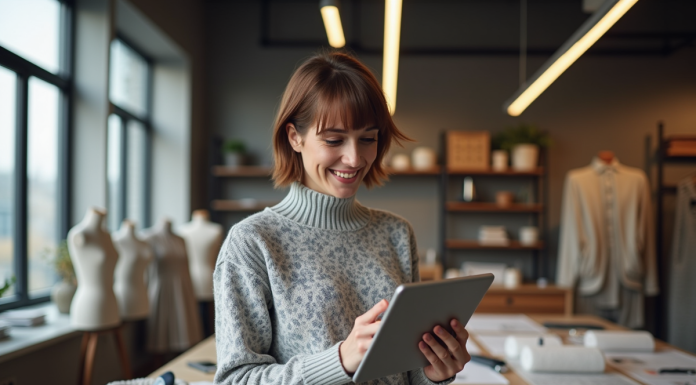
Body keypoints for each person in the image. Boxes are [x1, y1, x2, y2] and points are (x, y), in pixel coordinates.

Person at [213, 52, 470, 385]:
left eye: (368, 139)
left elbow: (407, 373)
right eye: (334, 140)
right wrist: (339, 361)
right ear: (295, 137)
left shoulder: (396, 233)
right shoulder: (253, 243)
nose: (353, 158)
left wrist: (434, 374)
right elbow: (236, 380)